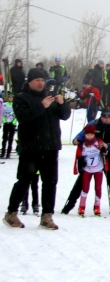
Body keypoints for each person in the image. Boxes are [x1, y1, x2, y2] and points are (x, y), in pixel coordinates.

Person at [4, 68, 71, 229]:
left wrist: (63, 104)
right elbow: (24, 117)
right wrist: (42, 106)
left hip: (50, 147)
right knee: (24, 180)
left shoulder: (51, 97)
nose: (41, 83)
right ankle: (11, 213)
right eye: (37, 80)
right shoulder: (22, 98)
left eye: (42, 80)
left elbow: (65, 116)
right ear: (30, 82)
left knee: (50, 182)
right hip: (31, 147)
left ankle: (47, 216)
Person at [62, 110, 110, 216]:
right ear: (101, 117)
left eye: (109, 117)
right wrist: (76, 140)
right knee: (81, 181)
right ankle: (70, 204)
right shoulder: (93, 124)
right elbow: (81, 135)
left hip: (108, 157)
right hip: (90, 157)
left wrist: (108, 145)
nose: (107, 119)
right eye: (105, 117)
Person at [73, 124, 108, 217]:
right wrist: (80, 164)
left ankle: (97, 206)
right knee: (85, 188)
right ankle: (82, 206)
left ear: (94, 134)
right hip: (87, 169)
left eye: (91, 134)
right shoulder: (83, 144)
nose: (89, 136)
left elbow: (105, 151)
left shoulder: (98, 142)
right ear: (85, 135)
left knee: (98, 188)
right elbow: (78, 155)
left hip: (98, 168)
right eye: (87, 134)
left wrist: (104, 151)